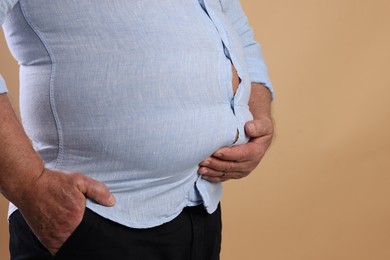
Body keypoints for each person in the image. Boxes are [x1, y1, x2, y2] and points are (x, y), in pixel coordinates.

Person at [0, 0, 274, 259]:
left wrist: (257, 116)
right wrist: (30, 185)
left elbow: (232, 24)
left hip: (200, 204)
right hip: (93, 215)